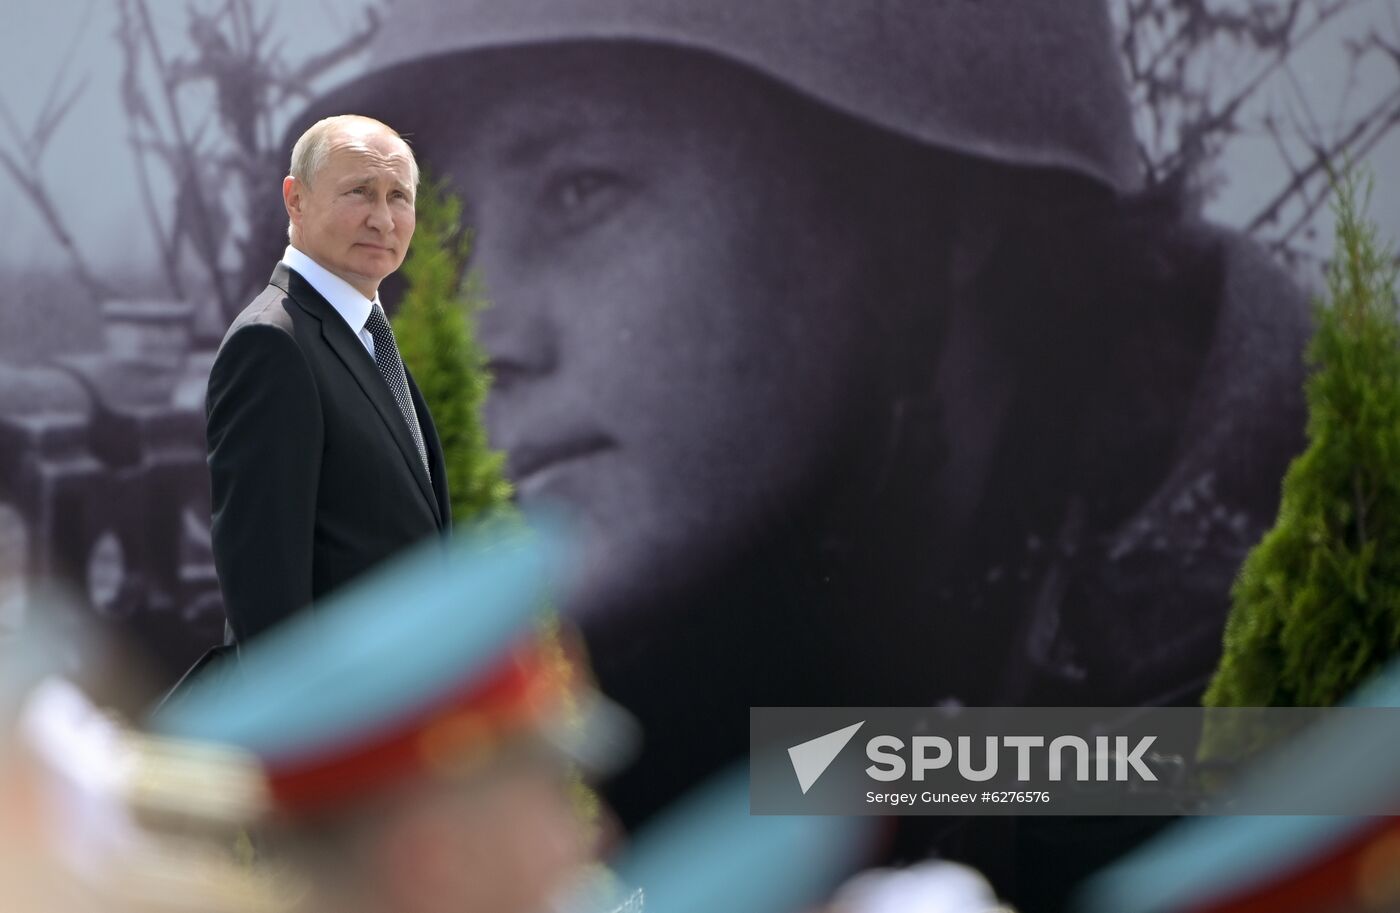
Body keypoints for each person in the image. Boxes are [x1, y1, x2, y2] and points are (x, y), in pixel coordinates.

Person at [276, 2, 1311, 906]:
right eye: (449, 240)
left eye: (581, 191)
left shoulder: (1322, 644)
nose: (479, 332)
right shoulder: (675, 636)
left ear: (926, 209)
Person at [206, 115, 450, 647]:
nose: (383, 220)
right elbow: (263, 584)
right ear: (295, 199)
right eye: (359, 192)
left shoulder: (364, 333)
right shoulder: (273, 344)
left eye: (399, 197)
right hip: (341, 716)